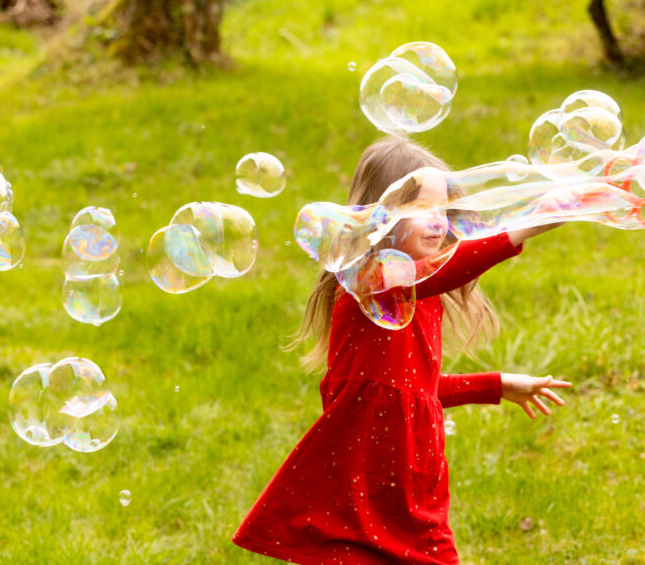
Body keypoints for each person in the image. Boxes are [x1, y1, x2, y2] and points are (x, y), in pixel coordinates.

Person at [233, 135, 572, 564]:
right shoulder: (370, 280)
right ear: (376, 218)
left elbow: (413, 392)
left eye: (443, 210)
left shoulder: (421, 297)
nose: (437, 221)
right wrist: (531, 222)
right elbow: (441, 272)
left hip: (410, 489)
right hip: (360, 492)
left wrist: (496, 385)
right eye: (419, 208)